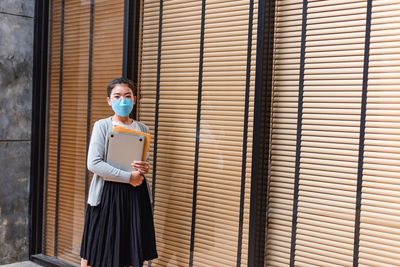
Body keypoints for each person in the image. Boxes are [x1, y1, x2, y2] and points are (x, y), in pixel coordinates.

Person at [80, 77, 158, 267]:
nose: (123, 100)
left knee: (130, 250)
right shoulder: (102, 126)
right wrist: (127, 177)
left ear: (134, 99)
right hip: (108, 194)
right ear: (109, 100)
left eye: (127, 96)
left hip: (134, 194)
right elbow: (94, 163)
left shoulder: (142, 128)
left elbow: (141, 162)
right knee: (96, 249)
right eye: (117, 96)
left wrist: (144, 168)